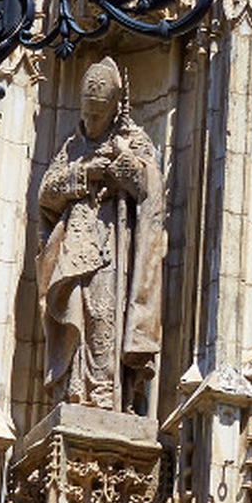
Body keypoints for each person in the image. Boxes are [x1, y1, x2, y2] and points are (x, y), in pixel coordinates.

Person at [37, 59, 166, 412]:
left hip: (112, 245)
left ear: (114, 109)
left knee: (104, 312)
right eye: (87, 115)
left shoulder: (132, 140)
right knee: (72, 307)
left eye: (99, 116)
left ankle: (104, 392)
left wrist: (121, 163)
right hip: (75, 245)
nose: (91, 123)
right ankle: (73, 388)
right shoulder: (72, 147)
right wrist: (86, 172)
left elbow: (150, 190)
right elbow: (46, 194)